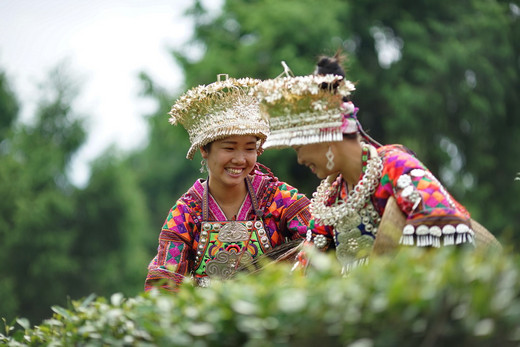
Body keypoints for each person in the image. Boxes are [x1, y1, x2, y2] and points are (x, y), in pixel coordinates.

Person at [254, 55, 499, 272]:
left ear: (326, 138)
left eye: (299, 148)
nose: (300, 159)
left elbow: (446, 228)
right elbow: (306, 270)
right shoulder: (330, 200)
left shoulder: (394, 166)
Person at [145, 75, 315, 291]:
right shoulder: (186, 213)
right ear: (204, 149)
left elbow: (320, 240)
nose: (240, 159)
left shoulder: (278, 199)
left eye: (250, 148)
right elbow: (164, 285)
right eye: (229, 147)